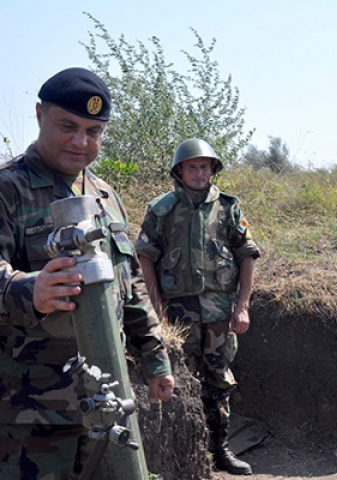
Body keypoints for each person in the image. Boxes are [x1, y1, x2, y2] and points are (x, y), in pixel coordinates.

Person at [0, 67, 175, 479]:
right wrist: (27, 289)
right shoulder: (1, 190)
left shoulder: (107, 198)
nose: (80, 141)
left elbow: (131, 288)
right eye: (67, 126)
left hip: (107, 404)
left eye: (94, 131)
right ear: (39, 115)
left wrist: (155, 359)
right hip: (28, 413)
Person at [135, 138, 260, 475]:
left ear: (212, 170)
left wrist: (243, 306)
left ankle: (220, 451)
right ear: (180, 171)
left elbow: (246, 255)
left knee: (219, 380)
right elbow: (145, 258)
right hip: (178, 315)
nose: (200, 172)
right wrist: (155, 307)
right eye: (193, 166)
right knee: (181, 381)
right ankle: (186, 455)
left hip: (220, 312)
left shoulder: (229, 207)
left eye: (205, 166)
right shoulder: (161, 209)